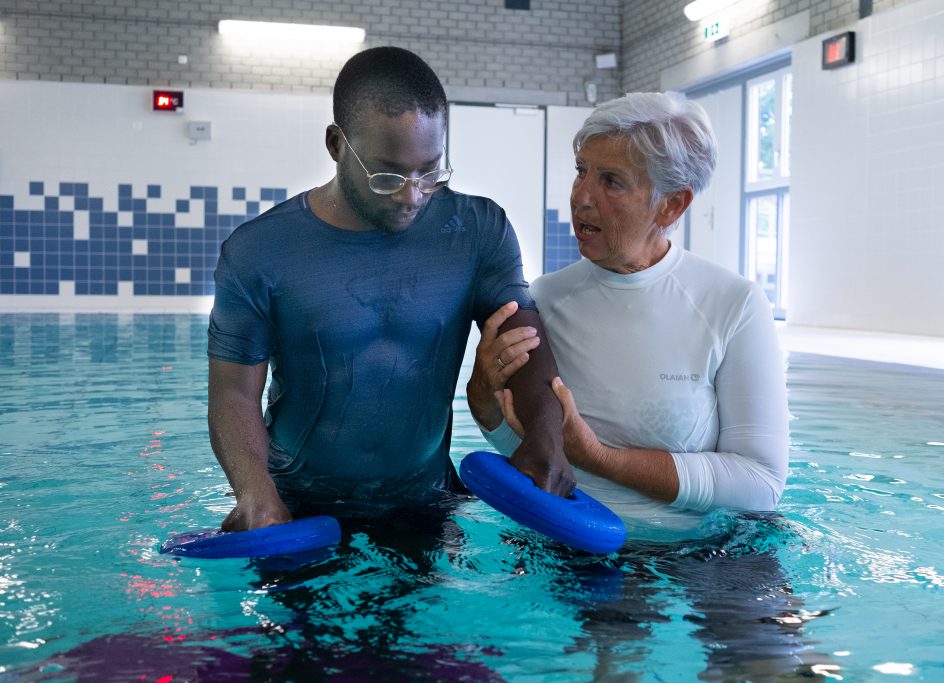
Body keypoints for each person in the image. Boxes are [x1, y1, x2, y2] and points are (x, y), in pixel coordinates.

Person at [207, 46, 573, 532]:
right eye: (388, 176)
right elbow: (233, 393)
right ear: (337, 144)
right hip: (297, 505)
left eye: (430, 171)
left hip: (425, 499)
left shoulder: (478, 230)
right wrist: (256, 494)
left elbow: (522, 336)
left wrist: (546, 440)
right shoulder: (259, 251)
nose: (412, 194)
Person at [468, 91, 789, 535]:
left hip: (699, 551)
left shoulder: (733, 304)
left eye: (611, 181)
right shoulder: (546, 300)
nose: (581, 196)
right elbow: (531, 454)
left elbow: (760, 484)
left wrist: (600, 458)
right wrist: (485, 404)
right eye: (581, 172)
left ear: (672, 204)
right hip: (577, 544)